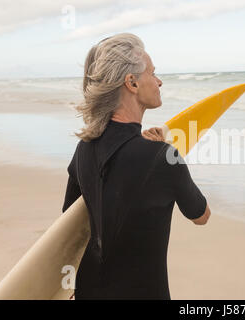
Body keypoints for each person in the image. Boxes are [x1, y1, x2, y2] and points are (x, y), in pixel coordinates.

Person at [62, 33, 211, 300]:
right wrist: (165, 152)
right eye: (153, 73)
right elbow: (201, 215)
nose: (159, 81)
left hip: (89, 291)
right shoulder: (163, 157)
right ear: (131, 82)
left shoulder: (84, 148)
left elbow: (70, 223)